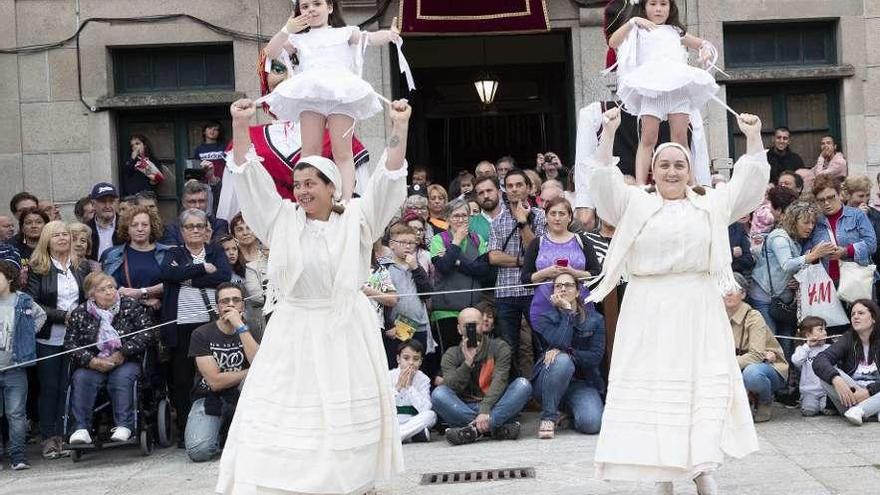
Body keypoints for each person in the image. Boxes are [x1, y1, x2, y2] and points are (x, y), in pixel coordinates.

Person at [215, 97, 411, 494]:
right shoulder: (281, 219)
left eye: (310, 184)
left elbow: (389, 178)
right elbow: (249, 178)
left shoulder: (357, 217)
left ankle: (351, 481)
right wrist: (239, 125)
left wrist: (400, 126)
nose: (301, 191)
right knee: (283, 406)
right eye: (298, 184)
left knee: (343, 408)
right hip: (294, 325)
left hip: (345, 325)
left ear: (331, 187)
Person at [585, 106, 766, 491]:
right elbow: (602, 185)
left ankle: (702, 468)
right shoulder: (636, 203)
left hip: (697, 305)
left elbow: (747, 189)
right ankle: (661, 476)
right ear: (652, 169)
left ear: (690, 170)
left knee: (697, 388)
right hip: (647, 307)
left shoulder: (710, 202)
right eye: (663, 164)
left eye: (678, 165)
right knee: (654, 389)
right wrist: (609, 134)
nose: (671, 171)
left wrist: (752, 138)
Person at [260, 1, 403, 201]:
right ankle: (307, 196)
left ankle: (345, 200)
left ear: (330, 7)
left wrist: (389, 34)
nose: (311, 9)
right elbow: (270, 52)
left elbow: (369, 38)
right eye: (305, 6)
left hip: (341, 93)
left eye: (317, 4)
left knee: (342, 152)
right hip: (310, 94)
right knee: (310, 150)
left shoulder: (344, 33)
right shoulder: (297, 38)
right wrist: (286, 29)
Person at [216, 48, 371, 220]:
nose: (289, 77)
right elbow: (235, 202)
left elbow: (360, 202)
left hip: (326, 231)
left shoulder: (339, 139)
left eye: (298, 68)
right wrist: (239, 123)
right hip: (268, 233)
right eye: (278, 69)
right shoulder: (249, 138)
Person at [607, 0, 718, 185]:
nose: (658, 9)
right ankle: (641, 186)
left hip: (677, 88)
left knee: (680, 139)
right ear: (644, 6)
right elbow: (613, 42)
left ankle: (689, 184)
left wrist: (705, 50)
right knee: (648, 138)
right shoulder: (638, 28)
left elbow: (703, 44)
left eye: (663, 4)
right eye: (653, 4)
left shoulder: (676, 31)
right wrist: (632, 21)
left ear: (670, 7)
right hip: (652, 89)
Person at [160, 208, 231, 441]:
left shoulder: (215, 251)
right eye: (190, 226)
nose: (195, 230)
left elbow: (223, 276)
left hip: (211, 324)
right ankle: (183, 430)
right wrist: (201, 268)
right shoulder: (174, 252)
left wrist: (187, 278)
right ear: (182, 231)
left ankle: (218, 427)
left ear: (207, 230)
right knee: (182, 378)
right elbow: (168, 274)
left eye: (200, 226)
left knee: (216, 375)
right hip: (181, 324)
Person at [65, 272, 155, 445]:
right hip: (93, 363)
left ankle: (124, 425)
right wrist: (92, 361)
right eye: (102, 289)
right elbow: (70, 344)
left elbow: (146, 333)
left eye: (111, 287)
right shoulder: (80, 313)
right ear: (91, 294)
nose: (109, 292)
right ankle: (80, 428)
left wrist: (122, 354)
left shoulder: (131, 306)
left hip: (126, 360)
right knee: (81, 378)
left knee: (121, 377)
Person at [25, 220, 90, 459]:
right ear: (47, 241)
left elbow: (87, 296)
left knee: (69, 386)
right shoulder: (38, 267)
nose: (62, 238)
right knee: (50, 388)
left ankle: (67, 435)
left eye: (65, 234)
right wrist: (65, 316)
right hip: (49, 337)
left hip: (77, 337)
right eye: (56, 235)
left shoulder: (80, 266)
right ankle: (49, 438)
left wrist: (81, 315)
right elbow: (32, 304)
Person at [431, 307, 532, 445]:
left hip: (496, 405)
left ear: (483, 325)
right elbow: (451, 385)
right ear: (459, 329)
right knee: (438, 394)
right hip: (464, 407)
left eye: (475, 324)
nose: (471, 329)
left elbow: (500, 380)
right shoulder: (451, 354)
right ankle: (495, 427)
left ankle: (473, 430)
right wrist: (467, 363)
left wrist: (485, 410)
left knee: (523, 385)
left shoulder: (499, 347)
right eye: (467, 325)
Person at [185, 283, 261, 462]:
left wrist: (240, 326)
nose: (231, 305)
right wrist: (250, 372)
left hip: (245, 398)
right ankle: (223, 433)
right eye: (225, 301)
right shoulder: (201, 334)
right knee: (199, 451)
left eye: (236, 300)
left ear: (243, 304)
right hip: (210, 397)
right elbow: (215, 382)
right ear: (217, 306)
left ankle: (231, 433)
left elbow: (260, 364)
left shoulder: (254, 329)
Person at [751, 200, 833, 356]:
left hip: (785, 302)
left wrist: (797, 278)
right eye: (806, 222)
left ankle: (787, 378)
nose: (810, 227)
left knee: (786, 345)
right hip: (764, 297)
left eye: (812, 223)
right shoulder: (779, 237)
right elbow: (787, 264)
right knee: (772, 343)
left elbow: (793, 268)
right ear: (793, 221)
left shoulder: (795, 240)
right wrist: (813, 255)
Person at [488, 169, 547, 377]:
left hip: (534, 291)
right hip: (505, 293)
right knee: (507, 348)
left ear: (528, 188)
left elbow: (537, 251)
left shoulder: (539, 216)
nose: (514, 189)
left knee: (542, 343)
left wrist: (523, 222)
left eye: (519, 185)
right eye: (510, 186)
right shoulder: (497, 221)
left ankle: (542, 391)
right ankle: (513, 395)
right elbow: (493, 257)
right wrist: (522, 261)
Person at [531, 272, 605, 439]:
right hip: (548, 382)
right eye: (558, 285)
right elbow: (561, 342)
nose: (563, 288)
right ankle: (548, 417)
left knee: (592, 424)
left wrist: (569, 353)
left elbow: (595, 357)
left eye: (569, 285)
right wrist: (566, 312)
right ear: (553, 293)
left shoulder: (595, 320)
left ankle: (568, 413)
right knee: (562, 361)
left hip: (581, 384)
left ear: (578, 292)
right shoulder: (545, 318)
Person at [429, 198, 490, 378]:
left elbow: (483, 270)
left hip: (472, 309)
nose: (461, 220)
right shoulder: (438, 239)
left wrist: (456, 260)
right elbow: (444, 267)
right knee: (450, 356)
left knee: (472, 353)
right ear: (447, 218)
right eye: (456, 216)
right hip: (446, 310)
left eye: (464, 215)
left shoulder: (477, 239)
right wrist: (455, 242)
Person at [0, 246, 46, 471]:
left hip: (15, 366)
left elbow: (41, 316)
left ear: (9, 278)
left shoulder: (22, 300)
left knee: (16, 413)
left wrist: (26, 339)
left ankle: (18, 455)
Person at [521, 197, 601, 327]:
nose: (557, 218)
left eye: (562, 214)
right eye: (553, 213)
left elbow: (596, 273)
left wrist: (573, 272)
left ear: (570, 217)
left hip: (580, 302)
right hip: (544, 304)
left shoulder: (582, 241)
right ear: (546, 217)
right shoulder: (537, 243)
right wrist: (546, 272)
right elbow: (525, 280)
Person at [726, 273, 789, 423]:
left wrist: (726, 363)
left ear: (743, 294)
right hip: (737, 365)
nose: (727, 292)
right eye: (724, 288)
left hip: (768, 367)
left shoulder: (753, 316)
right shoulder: (717, 317)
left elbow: (756, 355)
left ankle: (765, 401)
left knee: (752, 374)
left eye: (733, 289)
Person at [813, 299, 880, 426]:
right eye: (853, 314)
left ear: (873, 318)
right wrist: (836, 379)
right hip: (851, 397)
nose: (855, 317)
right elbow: (820, 360)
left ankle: (862, 410)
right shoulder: (848, 339)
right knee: (828, 375)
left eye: (861, 313)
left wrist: (869, 392)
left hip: (875, 393)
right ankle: (872, 409)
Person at [380, 223, 434, 373]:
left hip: (419, 325)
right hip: (395, 328)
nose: (408, 246)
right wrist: (389, 324)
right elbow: (380, 300)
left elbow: (427, 292)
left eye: (411, 243)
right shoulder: (384, 267)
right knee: (395, 369)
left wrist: (416, 268)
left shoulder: (416, 266)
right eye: (403, 242)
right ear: (391, 244)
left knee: (417, 370)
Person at [805, 175, 876, 287]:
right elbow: (805, 251)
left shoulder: (857, 215)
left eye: (831, 197)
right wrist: (816, 252)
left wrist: (846, 251)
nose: (827, 203)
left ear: (840, 195)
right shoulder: (814, 221)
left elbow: (871, 245)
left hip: (856, 281)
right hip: (826, 284)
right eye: (821, 200)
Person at [100, 205, 168, 316]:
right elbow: (110, 288)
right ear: (127, 228)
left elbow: (173, 283)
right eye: (134, 225)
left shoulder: (167, 253)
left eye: (145, 225)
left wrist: (141, 293)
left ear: (152, 227)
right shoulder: (112, 255)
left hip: (162, 315)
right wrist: (143, 299)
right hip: (126, 317)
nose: (140, 229)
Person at [389, 339, 436, 443]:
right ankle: (412, 436)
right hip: (392, 422)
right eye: (406, 358)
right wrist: (397, 388)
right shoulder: (389, 376)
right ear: (398, 359)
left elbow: (425, 408)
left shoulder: (423, 379)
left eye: (415, 359)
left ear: (420, 361)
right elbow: (383, 406)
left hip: (412, 421)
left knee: (431, 415)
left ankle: (395, 437)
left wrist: (410, 387)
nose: (411, 363)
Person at [162, 181, 230, 246]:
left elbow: (221, 252)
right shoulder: (171, 228)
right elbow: (173, 254)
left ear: (207, 202)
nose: (197, 206)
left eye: (201, 201)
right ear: (184, 203)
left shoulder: (219, 225)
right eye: (192, 202)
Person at [790, 316, 831, 416]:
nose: (825, 333)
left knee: (826, 408)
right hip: (809, 392)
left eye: (825, 329)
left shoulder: (829, 348)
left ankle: (824, 405)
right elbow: (796, 361)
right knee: (809, 410)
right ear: (808, 334)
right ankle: (809, 404)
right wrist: (807, 346)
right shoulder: (802, 349)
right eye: (820, 330)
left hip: (827, 392)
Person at [843, 175, 880, 278]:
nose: (865, 200)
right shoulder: (839, 214)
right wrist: (857, 216)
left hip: (869, 272)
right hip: (845, 270)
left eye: (867, 195)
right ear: (848, 195)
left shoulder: (875, 215)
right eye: (860, 196)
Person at [88, 182, 123, 261]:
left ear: (117, 203)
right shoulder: (86, 229)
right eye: (103, 201)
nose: (108, 206)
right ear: (93, 204)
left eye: (111, 201)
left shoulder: (127, 226)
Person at [470, 175, 502, 244]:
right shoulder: (469, 224)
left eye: (489, 191)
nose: (486, 196)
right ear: (476, 198)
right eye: (481, 193)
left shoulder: (513, 219)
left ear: (499, 193)